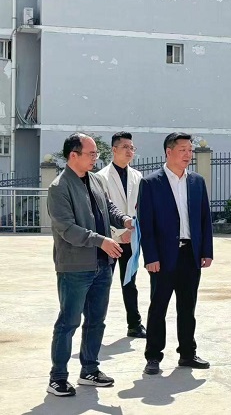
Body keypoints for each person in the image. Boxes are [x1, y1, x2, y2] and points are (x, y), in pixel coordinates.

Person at [46, 133, 133, 397]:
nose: (96, 158)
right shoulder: (59, 187)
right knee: (68, 322)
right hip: (75, 267)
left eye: (96, 153)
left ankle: (90, 370)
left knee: (96, 321)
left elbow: (108, 207)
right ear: (73, 155)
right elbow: (67, 229)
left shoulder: (95, 180)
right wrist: (101, 240)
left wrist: (124, 219)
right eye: (91, 153)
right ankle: (58, 377)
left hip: (102, 264)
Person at [139, 132, 214, 375]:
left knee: (187, 307)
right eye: (183, 150)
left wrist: (206, 251)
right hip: (162, 256)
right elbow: (146, 224)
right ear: (168, 152)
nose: (188, 154)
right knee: (158, 307)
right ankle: (153, 356)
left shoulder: (197, 182)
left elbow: (205, 219)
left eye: (190, 150)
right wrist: (150, 257)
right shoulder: (151, 183)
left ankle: (187, 353)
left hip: (190, 254)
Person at [95, 131, 146, 338]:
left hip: (132, 238)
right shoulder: (101, 177)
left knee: (130, 283)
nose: (129, 151)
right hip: (110, 240)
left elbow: (140, 208)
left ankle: (134, 324)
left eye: (132, 148)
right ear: (114, 150)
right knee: (103, 283)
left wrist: (132, 233)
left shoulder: (137, 176)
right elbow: (102, 210)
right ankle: (96, 325)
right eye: (125, 147)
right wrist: (119, 233)